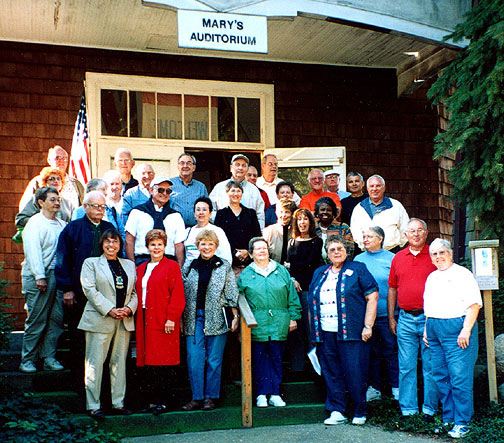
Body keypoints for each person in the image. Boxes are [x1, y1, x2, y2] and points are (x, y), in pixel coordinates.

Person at [308, 235, 379, 425]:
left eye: (340, 248)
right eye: (332, 249)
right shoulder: (320, 272)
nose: (336, 252)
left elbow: (372, 297)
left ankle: (359, 411)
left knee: (355, 372)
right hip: (325, 332)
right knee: (331, 372)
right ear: (327, 254)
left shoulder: (357, 269)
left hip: (353, 332)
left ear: (346, 251)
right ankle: (337, 411)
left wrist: (368, 325)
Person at [55, 191, 116, 391]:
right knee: (80, 338)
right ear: (85, 206)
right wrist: (66, 289)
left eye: (102, 206)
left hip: (105, 294)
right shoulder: (73, 229)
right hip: (79, 293)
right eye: (95, 206)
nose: (99, 210)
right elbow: (63, 259)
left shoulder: (109, 229)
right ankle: (81, 386)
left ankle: (103, 387)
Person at [423, 239, 482, 439]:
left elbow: (474, 305)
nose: (438, 257)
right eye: (434, 254)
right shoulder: (431, 277)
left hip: (457, 329)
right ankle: (449, 418)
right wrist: (426, 330)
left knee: (459, 377)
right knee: (440, 375)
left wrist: (466, 330)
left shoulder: (462, 274)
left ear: (450, 253)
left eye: (442, 252)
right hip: (434, 328)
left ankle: (463, 422)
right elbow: (428, 307)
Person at [79, 229, 137, 419]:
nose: (111, 245)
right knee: (95, 362)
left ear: (120, 245)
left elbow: (135, 293)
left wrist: (128, 308)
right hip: (100, 319)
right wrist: (110, 309)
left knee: (119, 362)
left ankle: (118, 404)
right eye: (108, 242)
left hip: (123, 321)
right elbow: (89, 289)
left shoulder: (129, 265)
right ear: (102, 244)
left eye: (115, 242)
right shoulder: (91, 263)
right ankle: (93, 405)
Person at [237, 237, 301, 408]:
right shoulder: (246, 275)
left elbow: (292, 297)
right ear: (251, 254)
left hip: (279, 321)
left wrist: (293, 317)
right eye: (257, 249)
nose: (262, 251)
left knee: (276, 357)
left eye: (264, 248)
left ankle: (274, 393)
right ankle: (261, 394)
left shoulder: (280, 271)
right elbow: (240, 301)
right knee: (259, 358)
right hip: (257, 323)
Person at [181, 230, 239, 411]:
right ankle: (197, 397)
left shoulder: (224, 265)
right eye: (203, 244)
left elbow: (231, 292)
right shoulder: (189, 265)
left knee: (214, 359)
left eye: (210, 244)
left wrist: (235, 316)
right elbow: (181, 292)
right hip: (193, 317)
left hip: (216, 316)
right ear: (198, 246)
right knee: (194, 357)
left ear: (216, 246)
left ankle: (210, 398)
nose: (207, 247)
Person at [387, 218, 438, 420]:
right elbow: (392, 288)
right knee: (406, 366)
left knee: (431, 365)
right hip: (406, 319)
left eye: (419, 231)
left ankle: (429, 409)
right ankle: (408, 410)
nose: (415, 234)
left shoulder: (434, 256)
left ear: (425, 233)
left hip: (429, 318)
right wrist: (392, 317)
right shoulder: (398, 258)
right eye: (411, 231)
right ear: (405, 235)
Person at [135, 229, 185, 415]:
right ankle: (150, 401)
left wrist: (172, 318)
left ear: (165, 246)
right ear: (147, 247)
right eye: (153, 244)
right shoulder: (141, 269)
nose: (156, 248)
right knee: (147, 362)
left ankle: (163, 402)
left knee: (163, 362)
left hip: (163, 320)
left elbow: (178, 295)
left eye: (160, 244)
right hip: (144, 319)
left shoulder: (171, 266)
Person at [18, 187, 67, 373]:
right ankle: (28, 359)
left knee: (56, 320)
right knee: (37, 320)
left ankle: (49, 357)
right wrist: (40, 276)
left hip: (58, 277)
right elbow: (33, 252)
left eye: (58, 199)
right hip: (39, 277)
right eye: (52, 199)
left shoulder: (62, 224)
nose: (57, 203)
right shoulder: (34, 223)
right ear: (41, 202)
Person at [354, 227, 398, 402]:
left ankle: (396, 387)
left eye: (369, 236)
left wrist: (393, 316)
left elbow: (396, 287)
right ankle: (375, 388)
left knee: (391, 351)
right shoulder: (358, 260)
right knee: (371, 353)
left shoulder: (391, 259)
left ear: (380, 239)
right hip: (366, 318)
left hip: (388, 316)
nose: (365, 239)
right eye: (364, 236)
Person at [285, 208, 323, 372]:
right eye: (299, 219)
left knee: (310, 328)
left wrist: (291, 266)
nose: (302, 222)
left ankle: (315, 369)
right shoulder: (292, 242)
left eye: (305, 219)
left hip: (309, 289)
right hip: (294, 291)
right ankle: (297, 368)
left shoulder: (317, 241)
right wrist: (292, 278)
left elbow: (310, 263)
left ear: (310, 221)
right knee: (296, 329)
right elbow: (287, 267)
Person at [125, 176, 185, 267]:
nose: (164, 193)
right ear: (151, 190)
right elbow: (129, 240)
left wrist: (179, 268)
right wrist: (132, 266)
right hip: (143, 261)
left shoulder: (176, 216)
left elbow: (179, 245)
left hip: (168, 262)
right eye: (160, 190)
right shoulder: (137, 212)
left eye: (168, 191)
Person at [214, 180, 261, 277]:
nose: (236, 194)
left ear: (242, 193)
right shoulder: (221, 214)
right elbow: (218, 238)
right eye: (233, 191)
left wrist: (248, 252)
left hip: (250, 262)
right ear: (227, 193)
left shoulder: (250, 213)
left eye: (238, 191)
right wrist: (235, 253)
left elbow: (257, 237)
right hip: (229, 262)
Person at [350, 174, 409, 253]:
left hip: (391, 252)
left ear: (384, 188)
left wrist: (396, 245)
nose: (375, 189)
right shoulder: (359, 208)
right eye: (372, 186)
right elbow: (355, 231)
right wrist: (365, 245)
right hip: (367, 253)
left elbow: (405, 228)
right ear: (367, 189)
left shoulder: (395, 206)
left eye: (378, 186)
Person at [19, 145, 84, 211]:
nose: (61, 161)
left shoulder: (75, 184)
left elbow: (85, 207)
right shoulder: (37, 182)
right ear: (49, 160)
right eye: (57, 158)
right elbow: (25, 208)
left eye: (64, 158)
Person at [209, 154, 265, 229]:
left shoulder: (254, 190)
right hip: (224, 234)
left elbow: (260, 215)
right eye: (237, 165)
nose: (240, 168)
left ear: (247, 169)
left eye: (244, 165)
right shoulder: (219, 188)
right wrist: (221, 221)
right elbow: (209, 210)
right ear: (231, 168)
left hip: (248, 235)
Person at [183, 197, 232, 264]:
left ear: (210, 214)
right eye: (198, 210)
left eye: (204, 210)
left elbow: (226, 256)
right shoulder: (187, 232)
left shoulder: (217, 231)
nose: (201, 212)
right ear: (194, 214)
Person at [170, 153, 209, 227]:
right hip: (175, 227)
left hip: (196, 228)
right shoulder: (170, 184)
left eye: (188, 163)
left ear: (194, 167)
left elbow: (206, 207)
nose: (185, 166)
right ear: (178, 166)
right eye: (182, 163)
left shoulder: (201, 187)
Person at [314, 197, 353, 262]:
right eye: (322, 210)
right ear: (317, 212)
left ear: (333, 212)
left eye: (329, 210)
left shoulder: (343, 228)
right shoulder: (312, 228)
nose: (325, 212)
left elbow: (349, 251)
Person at [262, 198, 297, 264]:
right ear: (276, 212)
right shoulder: (268, 232)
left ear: (292, 214)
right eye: (281, 212)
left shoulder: (296, 231)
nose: (283, 215)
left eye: (287, 212)